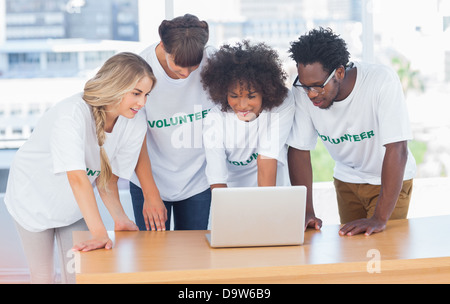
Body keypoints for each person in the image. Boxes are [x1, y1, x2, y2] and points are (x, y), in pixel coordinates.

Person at [4, 52, 156, 284]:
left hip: (73, 207)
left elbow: (107, 179)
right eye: (136, 93)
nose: (142, 102)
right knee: (44, 277)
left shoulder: (134, 120)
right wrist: (99, 233)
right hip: (32, 200)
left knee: (78, 275)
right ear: (115, 85)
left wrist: (120, 218)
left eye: (146, 94)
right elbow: (77, 178)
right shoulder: (71, 114)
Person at [287, 27, 416, 236]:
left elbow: (397, 148)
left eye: (318, 86)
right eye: (305, 86)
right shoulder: (303, 92)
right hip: (347, 181)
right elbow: (299, 150)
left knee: (383, 254)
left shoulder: (381, 81)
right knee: (352, 255)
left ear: (339, 72)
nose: (311, 94)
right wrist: (307, 211)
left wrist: (379, 218)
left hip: (388, 181)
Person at [129, 14, 215, 232]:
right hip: (150, 179)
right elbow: (135, 139)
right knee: (154, 258)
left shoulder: (214, 62)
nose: (186, 74)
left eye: (193, 67)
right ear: (162, 46)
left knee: (194, 257)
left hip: (198, 180)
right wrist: (150, 194)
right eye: (178, 67)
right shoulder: (139, 71)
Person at [201, 40, 294, 189]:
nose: (243, 105)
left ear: (265, 92)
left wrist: (264, 208)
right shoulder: (215, 118)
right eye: (234, 96)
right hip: (234, 193)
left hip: (272, 190)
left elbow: (267, 157)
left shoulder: (282, 104)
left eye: (251, 96)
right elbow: (216, 174)